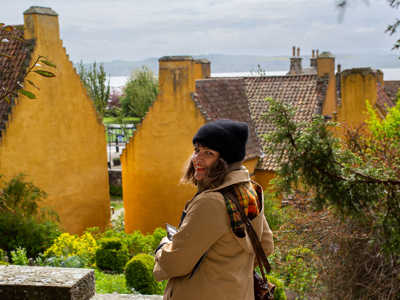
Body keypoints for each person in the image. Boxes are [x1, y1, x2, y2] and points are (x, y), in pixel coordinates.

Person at [153, 119, 274, 300]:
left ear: (225, 161)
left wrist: (163, 246)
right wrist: (228, 267)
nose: (196, 159)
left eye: (208, 153)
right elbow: (265, 245)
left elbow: (175, 263)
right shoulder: (248, 192)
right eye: (196, 150)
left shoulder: (210, 203)